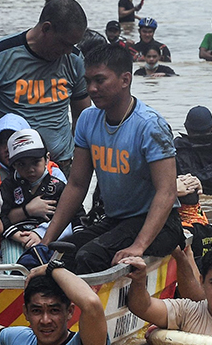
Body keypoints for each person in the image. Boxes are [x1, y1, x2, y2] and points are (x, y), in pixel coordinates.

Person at [39, 44, 184, 274]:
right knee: (65, 252)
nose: (92, 89)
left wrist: (139, 246)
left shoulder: (150, 125)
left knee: (89, 256)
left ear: (125, 80)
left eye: (100, 80)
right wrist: (45, 242)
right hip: (116, 220)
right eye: (87, 81)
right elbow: (77, 185)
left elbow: (166, 192)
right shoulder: (88, 119)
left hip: (161, 224)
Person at [0, 0, 91, 176]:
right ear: (46, 28)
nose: (68, 51)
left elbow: (84, 115)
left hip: (60, 168)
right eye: (64, 43)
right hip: (8, 170)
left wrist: (79, 159)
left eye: (73, 45)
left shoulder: (75, 61)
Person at [0, 129, 83, 255]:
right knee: (14, 267)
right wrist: (17, 236)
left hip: (52, 236)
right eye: (22, 164)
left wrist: (78, 242)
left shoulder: (58, 186)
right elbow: (0, 216)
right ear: (13, 165)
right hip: (16, 237)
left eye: (35, 162)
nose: (30, 169)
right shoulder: (8, 186)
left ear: (47, 158)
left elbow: (77, 216)